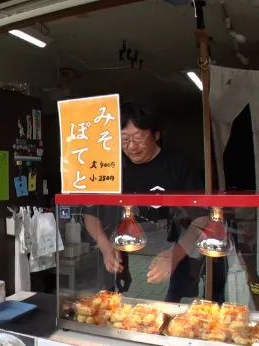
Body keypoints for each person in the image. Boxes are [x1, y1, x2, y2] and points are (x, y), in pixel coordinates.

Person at [83, 102, 227, 303]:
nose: (131, 146)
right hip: (125, 255)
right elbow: (90, 213)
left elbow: (202, 216)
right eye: (124, 139)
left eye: (139, 138)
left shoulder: (178, 164)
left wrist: (175, 255)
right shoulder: (110, 168)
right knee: (125, 309)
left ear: (156, 135)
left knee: (173, 308)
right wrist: (106, 247)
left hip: (177, 252)